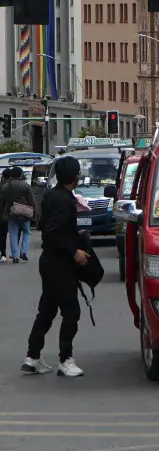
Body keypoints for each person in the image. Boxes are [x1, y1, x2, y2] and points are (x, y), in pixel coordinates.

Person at [22, 156, 90, 377]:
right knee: (71, 311)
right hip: (60, 263)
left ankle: (33, 357)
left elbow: (45, 226)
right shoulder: (64, 201)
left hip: (49, 261)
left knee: (47, 310)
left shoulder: (52, 195)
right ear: (74, 176)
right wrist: (74, 251)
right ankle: (65, 359)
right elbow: (52, 232)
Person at [2, 165, 38, 263]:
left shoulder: (5, 187)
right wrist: (35, 215)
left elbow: (2, 202)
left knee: (13, 233)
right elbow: (32, 201)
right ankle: (23, 252)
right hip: (24, 213)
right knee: (27, 232)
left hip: (11, 213)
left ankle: (14, 256)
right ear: (21, 174)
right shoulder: (25, 186)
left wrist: (3, 215)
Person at [0, 167, 12, 262]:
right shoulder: (8, 187)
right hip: (4, 214)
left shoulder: (1, 185)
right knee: (3, 235)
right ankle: (3, 254)